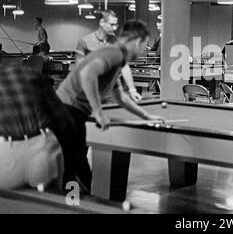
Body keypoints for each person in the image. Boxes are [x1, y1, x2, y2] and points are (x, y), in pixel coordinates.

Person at [57, 20, 164, 192]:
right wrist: (99, 113)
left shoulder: (116, 59)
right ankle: (73, 206)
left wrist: (147, 116)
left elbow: (120, 96)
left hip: (70, 111)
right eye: (144, 44)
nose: (144, 49)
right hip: (68, 110)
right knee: (75, 168)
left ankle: (74, 204)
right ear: (137, 41)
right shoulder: (114, 53)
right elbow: (87, 75)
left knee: (76, 165)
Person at [0, 64, 81, 190]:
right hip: (44, 150)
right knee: (50, 207)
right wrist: (71, 170)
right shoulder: (27, 72)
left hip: (5, 157)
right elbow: (64, 122)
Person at [76, 10, 143, 103]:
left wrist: (132, 90)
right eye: (112, 25)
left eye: (116, 25)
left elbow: (124, 67)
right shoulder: (85, 41)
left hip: (111, 94)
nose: (114, 28)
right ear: (102, 22)